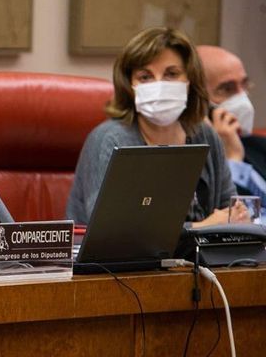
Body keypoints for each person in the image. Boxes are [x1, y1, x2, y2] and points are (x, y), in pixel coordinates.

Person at [66, 27, 235, 228]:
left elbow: (230, 210)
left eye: (171, 74)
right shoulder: (110, 140)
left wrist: (237, 218)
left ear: (190, 80)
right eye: (145, 77)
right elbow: (113, 231)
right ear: (129, 86)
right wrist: (203, 227)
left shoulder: (203, 134)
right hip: (120, 260)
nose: (159, 85)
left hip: (202, 259)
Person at [198, 45, 266, 199]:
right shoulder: (189, 161)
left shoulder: (259, 146)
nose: (242, 98)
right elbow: (232, 217)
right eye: (227, 89)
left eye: (244, 84)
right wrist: (231, 159)